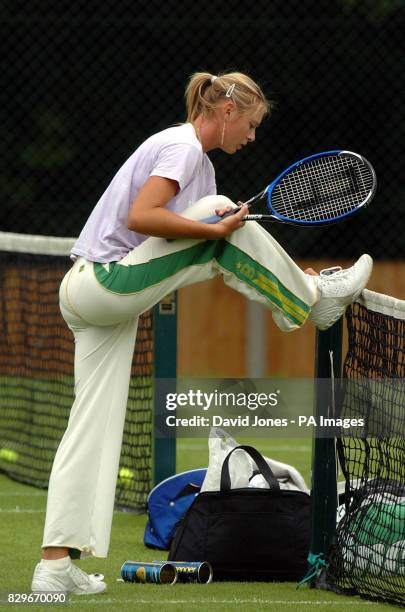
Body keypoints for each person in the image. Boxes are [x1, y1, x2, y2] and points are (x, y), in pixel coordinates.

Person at [31, 71, 372, 595]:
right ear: (228, 111)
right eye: (253, 125)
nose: (253, 137)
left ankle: (54, 567)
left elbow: (221, 254)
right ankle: (315, 305)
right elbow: (143, 216)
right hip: (101, 282)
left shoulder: (202, 170)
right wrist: (215, 230)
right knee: (217, 215)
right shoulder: (183, 147)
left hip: (92, 298)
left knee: (91, 427)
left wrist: (258, 257)